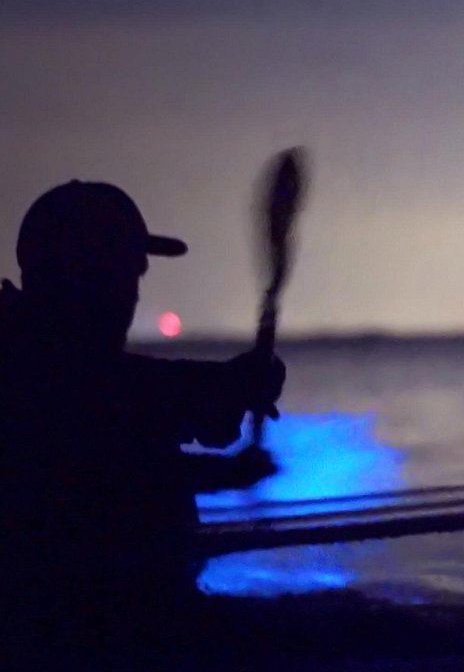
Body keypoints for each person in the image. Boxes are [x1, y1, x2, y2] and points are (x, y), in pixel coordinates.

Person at [0, 180, 285, 626]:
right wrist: (228, 469)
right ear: (84, 275)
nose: (132, 293)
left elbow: (137, 393)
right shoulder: (27, 371)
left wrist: (235, 384)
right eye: (127, 271)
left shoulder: (55, 360)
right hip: (80, 632)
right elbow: (99, 447)